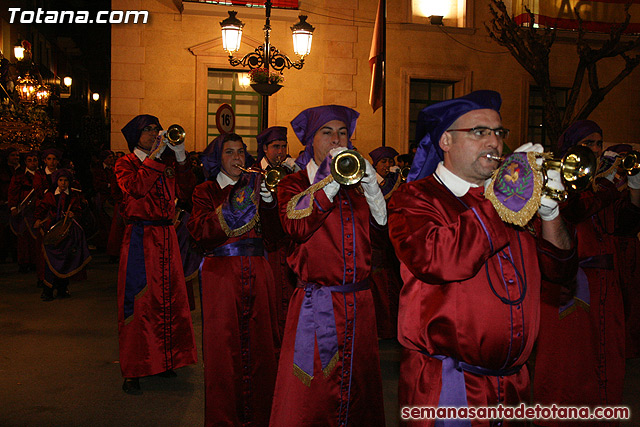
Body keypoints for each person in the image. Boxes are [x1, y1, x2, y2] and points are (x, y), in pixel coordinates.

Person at [387, 90, 577, 424]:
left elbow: (559, 271)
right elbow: (440, 260)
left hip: (513, 385)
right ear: (446, 140)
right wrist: (508, 194)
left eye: (498, 133)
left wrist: (550, 214)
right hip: (450, 385)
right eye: (479, 132)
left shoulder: (509, 198)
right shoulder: (413, 198)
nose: (494, 142)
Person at [270, 105, 387, 426]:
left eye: (342, 133)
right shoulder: (292, 184)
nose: (336, 140)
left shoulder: (357, 187)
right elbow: (296, 225)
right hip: (316, 304)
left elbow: (381, 235)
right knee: (313, 395)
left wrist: (373, 186)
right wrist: (332, 181)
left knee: (358, 389)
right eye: (327, 132)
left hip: (360, 305)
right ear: (310, 140)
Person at [532, 121, 640, 421]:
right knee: (569, 361)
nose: (596, 148)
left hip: (607, 286)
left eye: (599, 142)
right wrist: (605, 184)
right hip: (574, 288)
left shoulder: (602, 185)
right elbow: (577, 210)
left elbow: (628, 226)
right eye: (589, 143)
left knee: (609, 358)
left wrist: (634, 188)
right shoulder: (562, 183)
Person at [187, 132, 280, 427]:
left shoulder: (257, 185)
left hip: (258, 273)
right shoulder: (205, 190)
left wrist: (268, 201)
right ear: (218, 158)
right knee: (223, 353)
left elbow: (276, 239)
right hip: (221, 277)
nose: (237, 158)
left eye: (241, 152)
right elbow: (200, 233)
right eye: (230, 152)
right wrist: (234, 204)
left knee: (262, 350)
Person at [115, 114, 197, 395]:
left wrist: (181, 156)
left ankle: (165, 360)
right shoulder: (125, 163)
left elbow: (188, 191)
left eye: (155, 129)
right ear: (135, 136)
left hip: (167, 236)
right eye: (147, 130)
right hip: (140, 238)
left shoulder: (167, 163)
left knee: (168, 301)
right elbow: (136, 188)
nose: (153, 133)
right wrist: (158, 156)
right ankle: (134, 368)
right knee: (138, 303)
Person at [256, 125, 299, 340]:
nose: (281, 152)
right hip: (264, 243)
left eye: (283, 146)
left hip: (287, 242)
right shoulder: (254, 171)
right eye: (275, 147)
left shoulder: (290, 171)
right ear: (265, 149)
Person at [33, 169, 91, 301]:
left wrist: (73, 214)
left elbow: (78, 211)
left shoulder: (73, 197)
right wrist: (37, 219)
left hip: (67, 232)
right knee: (51, 262)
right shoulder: (50, 195)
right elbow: (41, 209)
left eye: (65, 180)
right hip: (52, 231)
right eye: (60, 180)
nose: (63, 183)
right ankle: (47, 290)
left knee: (65, 260)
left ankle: (62, 288)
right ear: (56, 181)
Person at [368, 146, 404, 339]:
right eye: (384, 162)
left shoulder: (394, 181)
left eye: (390, 161)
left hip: (392, 238)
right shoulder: (370, 181)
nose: (388, 166)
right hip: (374, 238)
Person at [8, 151, 39, 273]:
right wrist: (13, 207)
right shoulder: (19, 175)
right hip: (24, 210)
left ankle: (35, 262)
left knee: (36, 237)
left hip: (37, 210)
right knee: (24, 237)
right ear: (25, 162)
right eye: (30, 160)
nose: (32, 163)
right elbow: (13, 192)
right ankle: (24, 262)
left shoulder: (41, 175)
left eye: (35, 160)